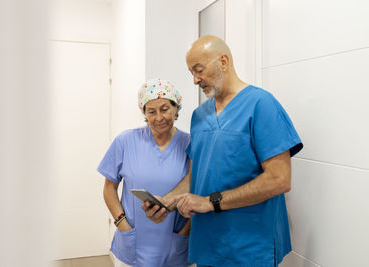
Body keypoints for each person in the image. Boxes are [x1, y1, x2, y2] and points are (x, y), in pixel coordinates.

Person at [142, 35, 303, 267]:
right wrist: (166, 203)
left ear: (224, 62)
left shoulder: (261, 105)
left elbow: (279, 180)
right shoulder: (200, 116)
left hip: (249, 246)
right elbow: (195, 176)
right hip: (208, 242)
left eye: (199, 70)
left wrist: (211, 201)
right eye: (191, 73)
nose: (195, 80)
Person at [97, 78, 192, 267]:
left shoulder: (190, 144)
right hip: (132, 244)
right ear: (144, 112)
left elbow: (197, 190)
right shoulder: (125, 141)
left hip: (177, 246)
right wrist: (121, 224)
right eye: (151, 111)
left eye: (165, 109)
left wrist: (186, 231)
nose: (159, 117)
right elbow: (109, 188)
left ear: (176, 108)